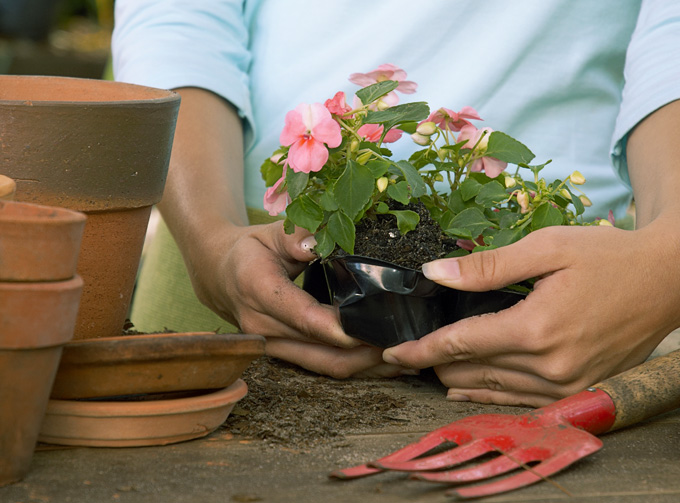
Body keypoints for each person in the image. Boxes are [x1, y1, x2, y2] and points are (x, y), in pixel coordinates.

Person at [112, 0, 680, 406]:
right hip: (246, 260)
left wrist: (664, 264)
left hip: (579, 306)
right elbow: (177, 18)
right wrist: (210, 238)